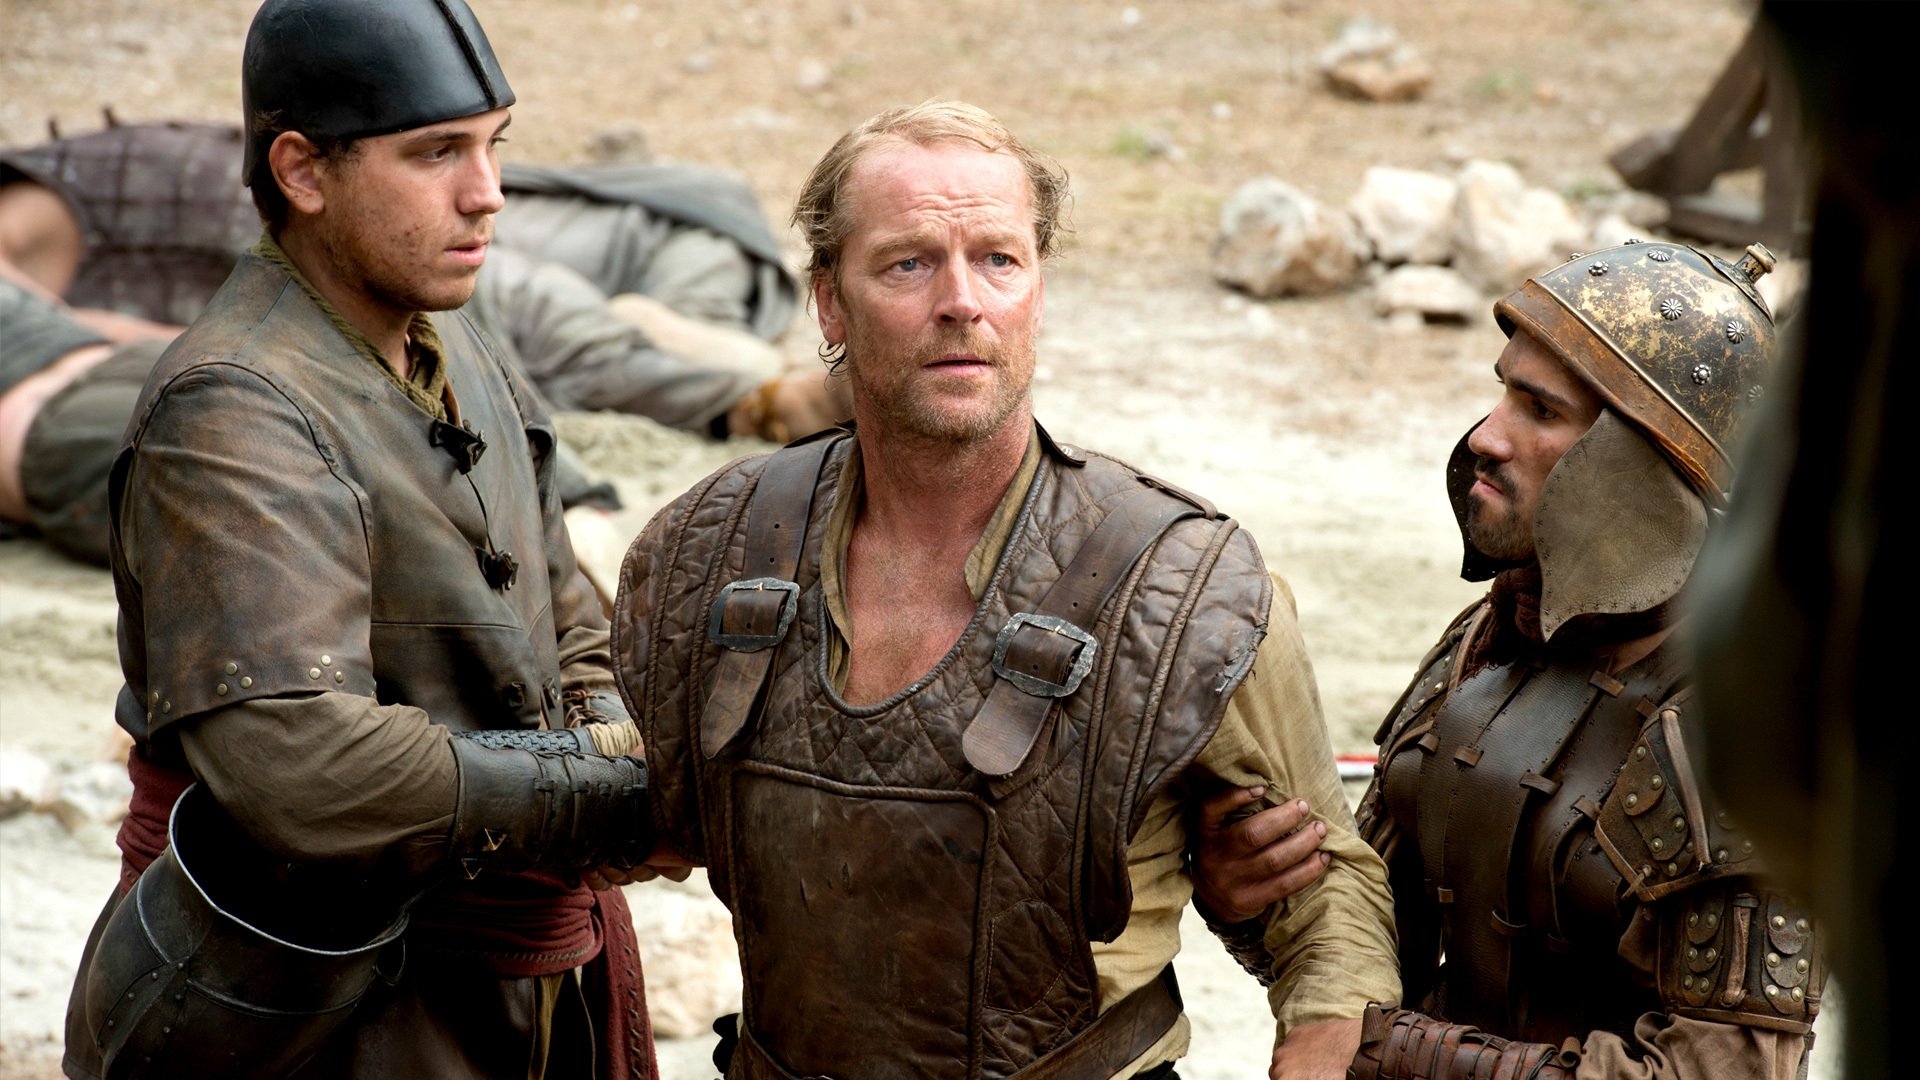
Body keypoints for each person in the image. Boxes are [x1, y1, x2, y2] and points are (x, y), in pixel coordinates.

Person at [610, 100, 1397, 1080]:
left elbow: (1328, 899)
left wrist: (1321, 1043)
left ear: (1037, 289)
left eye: (998, 260)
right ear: (828, 304)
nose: (961, 302)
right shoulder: (713, 550)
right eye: (908, 264)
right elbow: (637, 806)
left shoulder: (1183, 590)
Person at [61, 2, 666, 1076]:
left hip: (521, 975)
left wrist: (618, 740)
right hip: (315, 1009)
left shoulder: (457, 339)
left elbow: (563, 619)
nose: (487, 191)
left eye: (493, 145)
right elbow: (300, 765)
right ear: (303, 171)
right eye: (436, 153)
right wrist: (613, 795)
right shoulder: (230, 408)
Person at [1192, 239, 1826, 1078]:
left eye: (1540, 410)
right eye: (1502, 391)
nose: (1487, 437)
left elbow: (1725, 1072)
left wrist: (1396, 1054)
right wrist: (1253, 902)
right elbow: (1367, 956)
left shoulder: (1752, 724)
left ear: (1642, 460)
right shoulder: (1485, 642)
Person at [0, 116, 845, 447]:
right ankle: (747, 391)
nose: (486, 184)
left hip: (536, 274)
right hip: (405, 320)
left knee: (546, 329)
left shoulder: (132, 170)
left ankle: (754, 394)